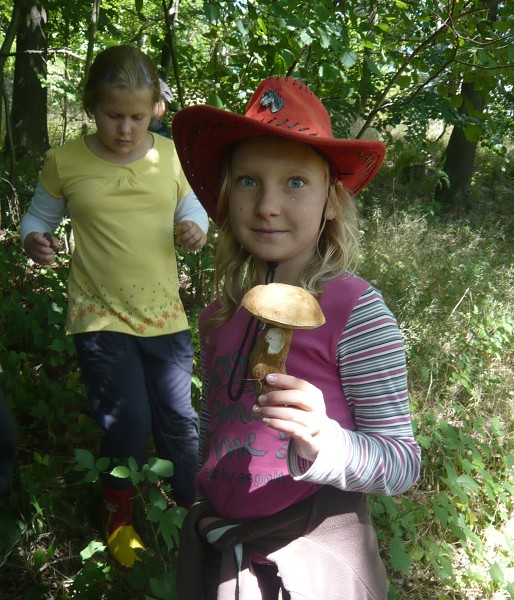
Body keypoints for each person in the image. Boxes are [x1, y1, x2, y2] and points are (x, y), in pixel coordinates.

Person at [171, 76, 421, 599]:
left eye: (295, 183)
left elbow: (401, 462)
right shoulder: (221, 313)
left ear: (332, 200)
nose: (267, 205)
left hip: (309, 545)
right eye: (247, 181)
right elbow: (218, 421)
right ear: (224, 194)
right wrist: (205, 483)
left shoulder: (356, 311)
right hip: (225, 541)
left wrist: (327, 442)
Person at [20, 44, 209, 569]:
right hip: (98, 317)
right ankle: (118, 518)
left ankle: (191, 508)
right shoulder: (66, 161)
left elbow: (191, 204)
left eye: (135, 116)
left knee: (177, 418)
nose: (125, 128)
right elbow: (38, 218)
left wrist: (196, 227)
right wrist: (33, 239)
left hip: (163, 317)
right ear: (90, 107)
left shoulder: (169, 155)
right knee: (126, 422)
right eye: (112, 115)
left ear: (156, 110)